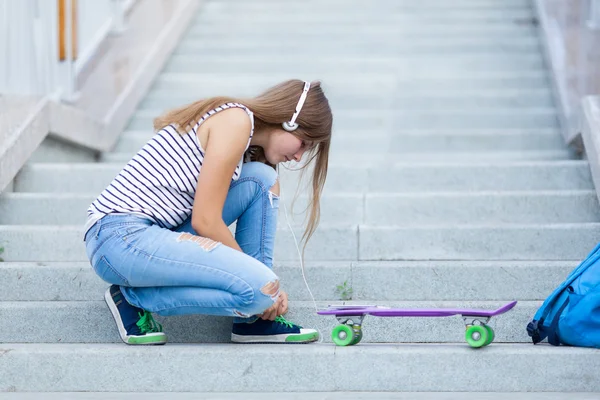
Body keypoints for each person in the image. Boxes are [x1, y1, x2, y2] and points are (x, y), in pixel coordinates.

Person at [83, 79, 333, 345]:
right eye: (304, 143)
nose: (299, 157)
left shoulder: (245, 140)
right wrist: (263, 281)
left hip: (154, 235)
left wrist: (261, 279)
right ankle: (131, 298)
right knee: (263, 289)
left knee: (262, 179)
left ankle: (253, 322)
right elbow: (205, 220)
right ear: (289, 122)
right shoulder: (236, 121)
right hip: (119, 237)